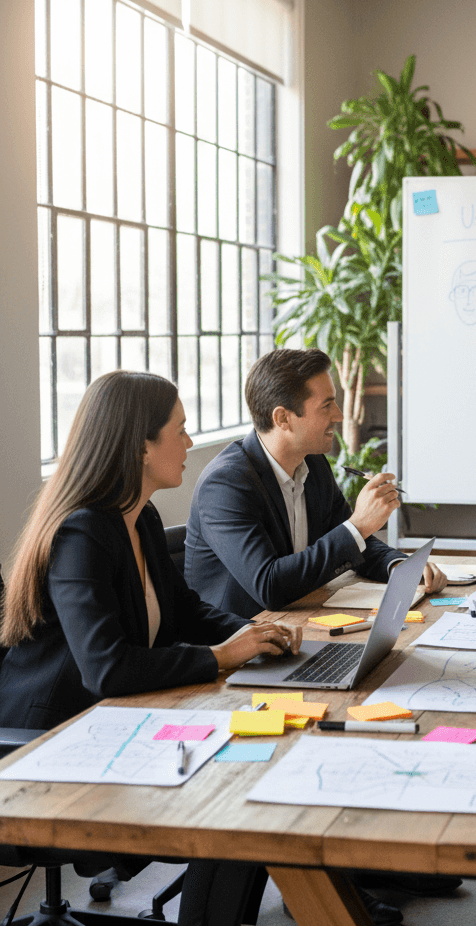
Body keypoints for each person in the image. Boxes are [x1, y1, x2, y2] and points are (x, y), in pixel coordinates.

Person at [0, 370, 301, 926]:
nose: (190, 443)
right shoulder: (80, 533)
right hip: (49, 744)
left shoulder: (139, 518)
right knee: (238, 792)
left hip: (112, 722)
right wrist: (221, 656)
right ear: (141, 444)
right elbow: (107, 668)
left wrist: (254, 632)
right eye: (180, 431)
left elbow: (185, 610)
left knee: (260, 763)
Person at [186, 348, 447, 620]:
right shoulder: (225, 484)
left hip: (299, 623)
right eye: (327, 405)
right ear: (282, 418)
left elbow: (355, 542)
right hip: (239, 643)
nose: (339, 415)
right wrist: (358, 525)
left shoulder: (314, 464)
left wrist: (400, 566)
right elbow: (269, 585)